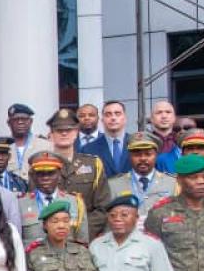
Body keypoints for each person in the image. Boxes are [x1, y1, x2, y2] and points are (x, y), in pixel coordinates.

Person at [45, 108, 111, 236]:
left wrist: (80, 230)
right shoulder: (41, 167)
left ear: (76, 133)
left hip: (85, 237)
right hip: (51, 236)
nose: (64, 133)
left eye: (69, 130)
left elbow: (103, 207)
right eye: (59, 130)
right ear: (51, 134)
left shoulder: (93, 164)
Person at [106, 132, 175, 229]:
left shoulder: (172, 183)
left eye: (148, 154)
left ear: (156, 155)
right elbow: (108, 222)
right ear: (129, 156)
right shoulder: (114, 185)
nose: (143, 158)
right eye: (137, 155)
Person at [18, 152, 88, 244]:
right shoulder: (20, 204)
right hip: (33, 253)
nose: (45, 178)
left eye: (51, 173)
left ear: (59, 175)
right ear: (33, 176)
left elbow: (83, 243)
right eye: (40, 173)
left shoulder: (75, 202)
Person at [79, 100, 131, 176]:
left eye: (117, 114)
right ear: (102, 120)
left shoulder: (135, 143)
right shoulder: (88, 150)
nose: (113, 118)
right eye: (108, 115)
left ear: (125, 118)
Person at [5, 104, 52, 178]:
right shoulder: (3, 146)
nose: (20, 122)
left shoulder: (45, 146)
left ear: (31, 122)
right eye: (16, 119)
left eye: (24, 119)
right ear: (9, 123)